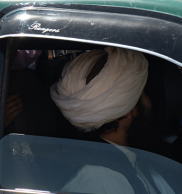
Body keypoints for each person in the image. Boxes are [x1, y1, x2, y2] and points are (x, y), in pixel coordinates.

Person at [51, 47, 174, 194]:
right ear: (129, 112)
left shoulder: (125, 159)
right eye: (143, 93)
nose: (149, 102)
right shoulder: (100, 180)